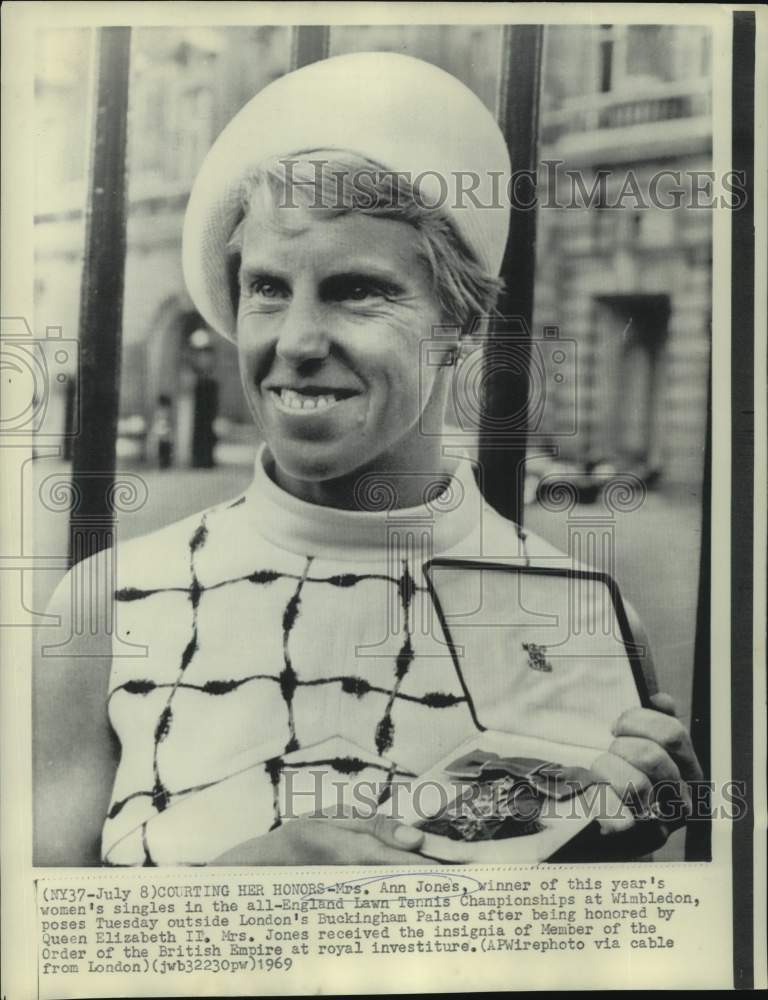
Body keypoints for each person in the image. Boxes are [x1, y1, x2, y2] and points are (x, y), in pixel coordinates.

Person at [33, 52, 701, 867]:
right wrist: (233, 890)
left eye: (357, 290)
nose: (297, 342)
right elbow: (34, 955)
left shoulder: (581, 622)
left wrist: (607, 862)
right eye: (268, 288)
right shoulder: (106, 609)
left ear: (460, 323)